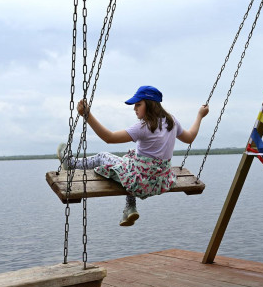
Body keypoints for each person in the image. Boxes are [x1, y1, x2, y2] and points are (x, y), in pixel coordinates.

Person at [57, 86, 209, 226]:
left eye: (138, 105)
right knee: (130, 159)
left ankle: (69, 162)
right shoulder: (172, 122)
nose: (134, 109)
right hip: (160, 181)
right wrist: (200, 116)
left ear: (150, 104)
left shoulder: (143, 127)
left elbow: (109, 138)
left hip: (141, 181)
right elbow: (189, 138)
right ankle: (130, 207)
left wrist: (87, 115)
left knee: (102, 156)